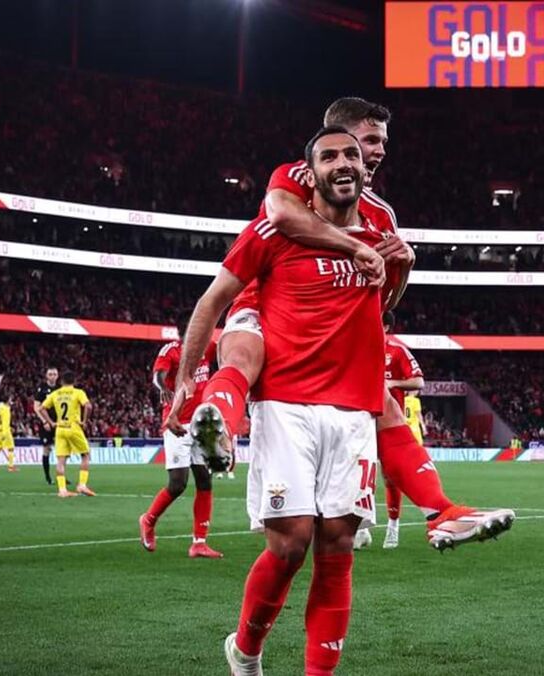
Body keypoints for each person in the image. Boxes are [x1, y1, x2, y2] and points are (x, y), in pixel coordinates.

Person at [192, 96, 514, 551]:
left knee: (381, 405)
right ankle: (218, 429)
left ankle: (440, 511)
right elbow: (280, 213)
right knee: (244, 354)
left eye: (380, 144)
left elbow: (379, 302)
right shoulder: (296, 176)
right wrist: (355, 246)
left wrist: (401, 269)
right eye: (370, 140)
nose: (377, 152)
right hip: (265, 301)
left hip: (325, 326)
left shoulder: (380, 215)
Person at [168, 128, 383, 676]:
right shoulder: (274, 225)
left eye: (353, 153)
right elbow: (213, 299)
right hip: (287, 398)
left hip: (349, 405)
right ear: (309, 171)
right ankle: (245, 652)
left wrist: (398, 264)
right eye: (329, 155)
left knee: (339, 545)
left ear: (365, 168)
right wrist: (185, 376)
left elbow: (381, 305)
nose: (344, 162)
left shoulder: (380, 229)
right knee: (291, 545)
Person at [138, 324, 225, 558]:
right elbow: (158, 375)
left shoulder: (208, 348)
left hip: (201, 424)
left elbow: (227, 348)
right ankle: (148, 520)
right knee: (178, 484)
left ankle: (199, 542)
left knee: (205, 481)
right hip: (177, 424)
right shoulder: (172, 351)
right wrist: (162, 387)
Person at [356, 310, 424, 550]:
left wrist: (393, 383)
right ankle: (361, 528)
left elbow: (418, 381)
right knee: (357, 474)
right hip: (360, 421)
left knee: (389, 476)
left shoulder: (397, 351)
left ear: (385, 327)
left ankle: (393, 526)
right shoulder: (359, 348)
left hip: (388, 423)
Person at [37, 372, 95, 498]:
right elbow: (88, 406)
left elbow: (41, 408)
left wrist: (50, 422)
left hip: (60, 428)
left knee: (61, 460)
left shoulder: (55, 393)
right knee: (85, 455)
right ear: (74, 381)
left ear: (61, 382)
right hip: (73, 427)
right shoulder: (78, 392)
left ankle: (62, 490)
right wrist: (84, 421)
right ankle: (82, 485)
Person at [32, 367, 59, 484]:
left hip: (58, 423)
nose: (53, 376)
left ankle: (61, 476)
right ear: (46, 376)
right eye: (50, 374)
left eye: (54, 374)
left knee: (62, 450)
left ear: (57, 376)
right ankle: (48, 477)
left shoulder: (60, 389)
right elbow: (36, 407)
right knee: (46, 449)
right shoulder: (41, 389)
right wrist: (44, 421)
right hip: (46, 424)